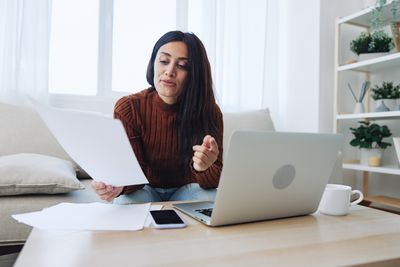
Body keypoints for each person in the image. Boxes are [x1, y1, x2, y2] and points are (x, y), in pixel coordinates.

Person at [91, 31, 223, 204]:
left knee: (213, 201)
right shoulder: (128, 107)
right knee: (125, 204)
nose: (169, 72)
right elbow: (131, 170)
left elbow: (215, 181)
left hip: (187, 188)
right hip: (145, 188)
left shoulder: (209, 111)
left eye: (182, 65)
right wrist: (119, 187)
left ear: (195, 74)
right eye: (164, 61)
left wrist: (204, 168)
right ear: (153, 63)